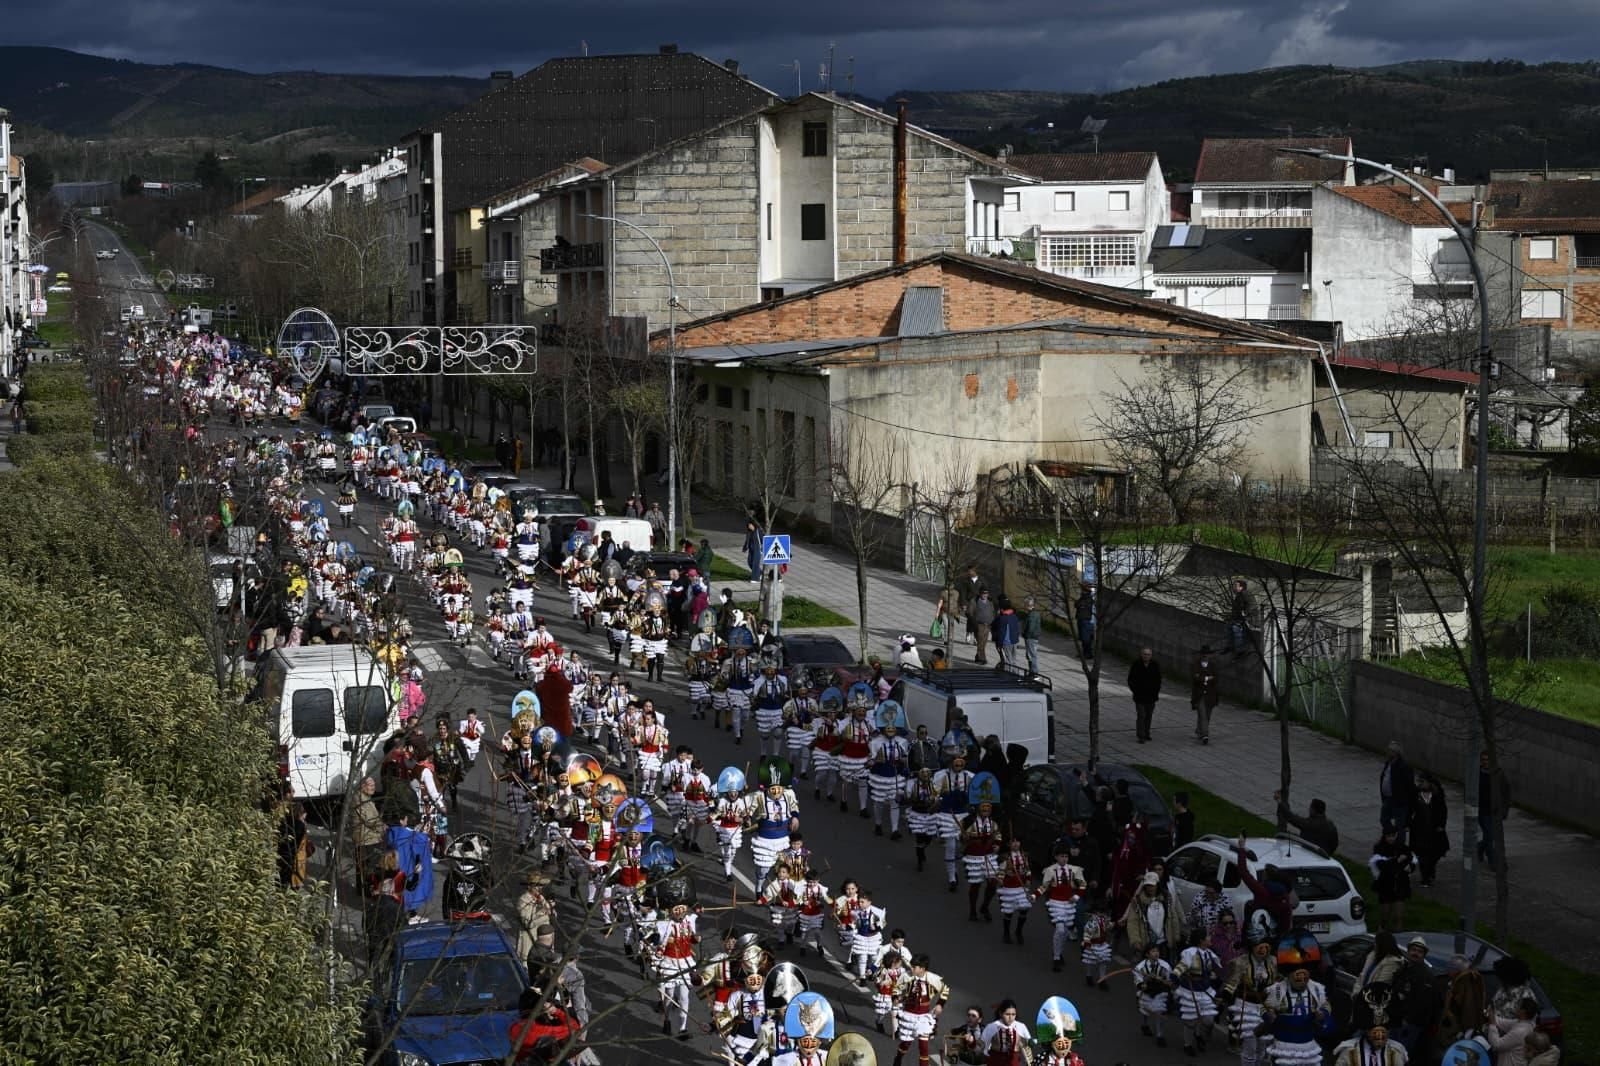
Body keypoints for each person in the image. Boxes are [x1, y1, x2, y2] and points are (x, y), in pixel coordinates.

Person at [1370, 823, 1414, 931]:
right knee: (1385, 916)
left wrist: (1411, 867)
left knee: (1398, 916)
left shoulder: (1403, 847)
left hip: (1400, 885)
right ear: (1384, 836)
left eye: (1392, 836)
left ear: (1396, 835)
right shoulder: (1379, 848)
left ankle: (1399, 939)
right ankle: (1380, 934)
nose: (1390, 838)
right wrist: (1396, 861)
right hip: (1385, 886)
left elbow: (1411, 860)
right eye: (1388, 836)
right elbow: (1381, 865)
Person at [1410, 774, 1449, 887]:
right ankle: (1425, 877)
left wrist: (1441, 825)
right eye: (1419, 782)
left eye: (1422, 781)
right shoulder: (1416, 794)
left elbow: (1443, 811)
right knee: (1422, 854)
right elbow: (1410, 809)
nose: (1420, 784)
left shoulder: (1437, 795)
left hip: (1434, 829)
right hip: (1419, 829)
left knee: (1435, 853)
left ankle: (1430, 870)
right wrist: (1408, 823)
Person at [1133, 942, 1174, 1047]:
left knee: (1159, 1012)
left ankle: (1160, 1035)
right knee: (1145, 1010)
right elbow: (1138, 981)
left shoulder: (1165, 966)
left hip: (1160, 992)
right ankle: (1145, 1025)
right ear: (1147, 954)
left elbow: (1170, 980)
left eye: (1157, 951)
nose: (1156, 953)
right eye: (1153, 951)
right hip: (1146, 992)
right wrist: (1143, 984)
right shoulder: (1140, 967)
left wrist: (1167, 983)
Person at [1275, 794, 1340, 855]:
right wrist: (1326, 854)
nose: (1309, 809)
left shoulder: (1310, 824)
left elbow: (1291, 817)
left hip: (1308, 854)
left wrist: (1279, 802)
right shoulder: (1331, 824)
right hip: (1322, 856)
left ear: (1313, 810)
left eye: (1310, 808)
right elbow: (1335, 844)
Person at [1479, 751, 1511, 870]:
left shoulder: (1498, 774)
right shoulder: (1477, 773)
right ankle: (1492, 860)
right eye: (1483, 760)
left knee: (1491, 837)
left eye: (1487, 759)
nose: (1485, 762)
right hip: (1481, 811)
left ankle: (1483, 852)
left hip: (1495, 811)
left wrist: (1505, 810)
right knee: (1490, 836)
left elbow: (1506, 792)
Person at [1485, 998, 1540, 1066]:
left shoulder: (1521, 1031)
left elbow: (1496, 1045)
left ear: (1523, 1011)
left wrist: (1492, 1025)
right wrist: (1489, 1013)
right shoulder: (1523, 1023)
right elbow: (1501, 1022)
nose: (1515, 1007)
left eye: (1518, 1005)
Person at [1379, 741, 1416, 842]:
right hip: (1388, 799)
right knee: (1384, 819)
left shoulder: (1403, 766)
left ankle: (1400, 845)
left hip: (1399, 801)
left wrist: (1407, 800)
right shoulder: (1388, 763)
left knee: (1400, 825)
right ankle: (1390, 836)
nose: (1388, 752)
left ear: (1396, 753)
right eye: (1388, 750)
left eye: (1391, 751)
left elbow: (1410, 786)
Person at [980, 999, 1032, 1066]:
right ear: (1001, 1013)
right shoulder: (992, 1026)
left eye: (1013, 1014)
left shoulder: (1021, 1027)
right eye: (1007, 1014)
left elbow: (1027, 1048)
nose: (1010, 1017)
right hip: (995, 1062)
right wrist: (972, 1043)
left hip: (1013, 1062)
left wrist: (1030, 1063)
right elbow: (982, 1045)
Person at [1127, 646, 1162, 743]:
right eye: (1145, 654)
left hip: (1151, 696)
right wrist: (1135, 690)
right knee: (1141, 715)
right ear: (1141, 654)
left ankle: (1147, 733)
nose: (1147, 656)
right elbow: (1131, 679)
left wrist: (1156, 691)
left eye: (1149, 654)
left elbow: (1158, 680)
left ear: (1151, 656)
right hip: (1140, 695)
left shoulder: (1155, 665)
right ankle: (1141, 735)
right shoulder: (1136, 664)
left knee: (1149, 715)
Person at [1190, 645, 1220, 745]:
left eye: (1207, 654)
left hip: (1210, 695)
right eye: (1203, 654)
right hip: (1199, 695)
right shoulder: (1195, 664)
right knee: (1203, 715)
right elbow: (1195, 678)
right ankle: (1205, 735)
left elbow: (1216, 678)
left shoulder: (1213, 665)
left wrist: (1202, 677)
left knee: (1207, 715)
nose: (1205, 656)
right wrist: (1207, 678)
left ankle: (1199, 729)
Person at [1225, 579, 1253, 656]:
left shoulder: (1244, 595)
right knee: (1228, 626)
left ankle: (1240, 651)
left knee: (1236, 629)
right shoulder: (1239, 595)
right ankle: (1230, 647)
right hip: (1239, 618)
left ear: (1241, 587)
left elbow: (1251, 606)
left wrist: (1245, 614)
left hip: (1245, 619)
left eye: (1236, 586)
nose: (1233, 587)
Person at [991, 597, 1021, 666]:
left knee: (1008, 661)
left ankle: (1008, 676)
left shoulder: (1002, 618)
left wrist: (999, 644)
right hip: (1014, 641)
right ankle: (1015, 674)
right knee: (1013, 660)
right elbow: (1018, 629)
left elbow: (1001, 633)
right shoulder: (1014, 616)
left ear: (1002, 608)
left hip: (1006, 642)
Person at [970, 589, 996, 664]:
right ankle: (982, 659)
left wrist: (992, 621)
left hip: (988, 625)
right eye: (983, 593)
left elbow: (993, 612)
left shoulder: (990, 602)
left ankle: (978, 657)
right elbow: (970, 613)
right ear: (980, 593)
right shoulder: (975, 601)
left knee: (983, 643)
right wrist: (974, 623)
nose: (985, 595)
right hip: (979, 625)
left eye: (986, 593)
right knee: (980, 643)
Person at [1021, 595, 1043, 674]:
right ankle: (1032, 671)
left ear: (1028, 605)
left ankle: (1034, 672)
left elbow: (1031, 628)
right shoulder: (1034, 613)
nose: (1024, 606)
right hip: (1033, 637)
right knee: (1030, 654)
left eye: (1025, 604)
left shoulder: (1032, 615)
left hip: (1031, 637)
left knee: (1031, 655)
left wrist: (1025, 634)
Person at [1074, 582, 1095, 659]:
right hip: (1081, 618)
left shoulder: (1088, 598)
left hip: (1085, 619)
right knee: (1082, 637)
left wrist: (1078, 602)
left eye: (1082, 589)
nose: (1081, 591)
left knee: (1086, 638)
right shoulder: (1083, 597)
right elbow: (1076, 604)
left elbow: (1078, 604)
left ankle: (1088, 654)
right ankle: (1084, 652)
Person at [743, 518, 764, 583]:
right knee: (750, 562)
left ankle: (755, 578)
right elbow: (747, 540)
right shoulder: (749, 532)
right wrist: (745, 547)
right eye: (748, 525)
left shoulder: (758, 531)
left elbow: (763, 540)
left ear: (753, 525)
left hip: (757, 549)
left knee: (755, 563)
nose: (749, 526)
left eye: (750, 525)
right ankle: (760, 573)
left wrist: (762, 549)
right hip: (751, 549)